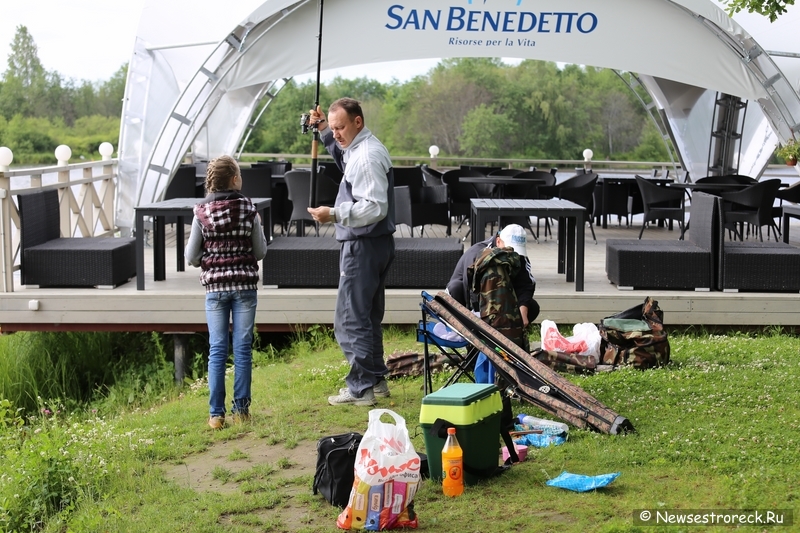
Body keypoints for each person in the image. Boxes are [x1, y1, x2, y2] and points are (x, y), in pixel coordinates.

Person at [307, 98, 396, 407]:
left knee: (350, 319)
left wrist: (332, 214)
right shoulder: (360, 148)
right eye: (333, 128)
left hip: (362, 244)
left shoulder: (367, 156)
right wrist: (323, 129)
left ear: (358, 122)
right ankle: (376, 380)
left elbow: (374, 207)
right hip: (376, 244)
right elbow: (345, 157)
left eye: (340, 127)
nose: (337, 134)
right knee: (368, 316)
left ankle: (361, 388)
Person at [185, 155, 268, 429]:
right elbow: (260, 251)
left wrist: (209, 259)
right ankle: (241, 411)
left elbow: (191, 257)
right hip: (244, 287)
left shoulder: (201, 213)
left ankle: (216, 415)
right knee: (242, 350)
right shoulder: (249, 210)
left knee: (217, 349)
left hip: (215, 290)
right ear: (234, 180)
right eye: (240, 174)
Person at [446, 224, 540, 325]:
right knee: (456, 287)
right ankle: (462, 327)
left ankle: (511, 330)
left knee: (532, 306)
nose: (513, 253)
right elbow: (471, 290)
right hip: (467, 298)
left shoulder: (520, 256)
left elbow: (526, 285)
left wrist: (523, 314)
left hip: (499, 297)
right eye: (509, 249)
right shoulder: (477, 253)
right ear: (498, 241)